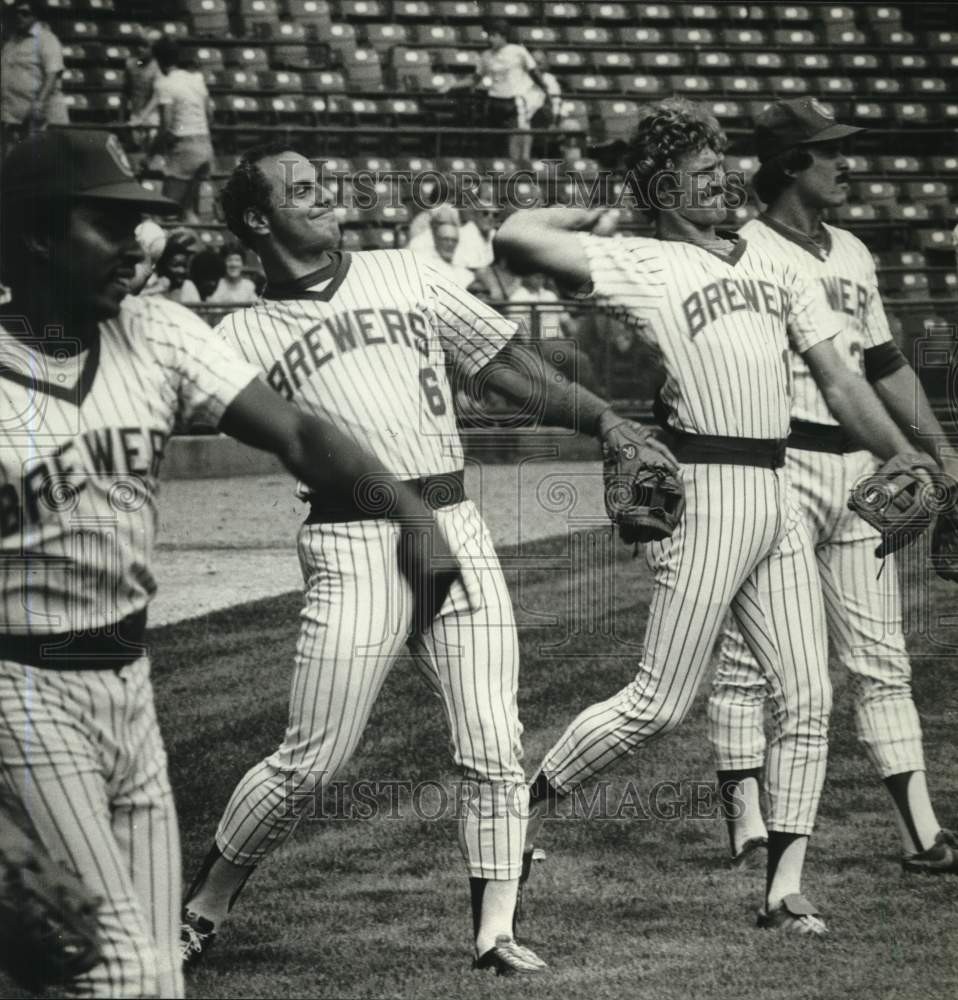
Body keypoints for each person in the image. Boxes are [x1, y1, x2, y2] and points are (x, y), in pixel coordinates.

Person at [176, 139, 669, 975]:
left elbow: (508, 364)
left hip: (455, 519)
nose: (325, 197)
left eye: (322, 184)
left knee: (493, 739)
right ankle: (204, 905)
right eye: (301, 192)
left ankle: (495, 932)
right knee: (313, 760)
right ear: (258, 220)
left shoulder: (404, 271)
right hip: (352, 540)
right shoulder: (243, 333)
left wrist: (607, 423)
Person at [0, 128, 459, 999]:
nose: (138, 243)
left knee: (146, 976)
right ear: (33, 236)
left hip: (129, 688)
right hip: (19, 687)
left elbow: (298, 433)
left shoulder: (157, 333)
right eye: (106, 224)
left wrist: (409, 515)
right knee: (123, 973)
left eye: (138, 222)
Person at [494, 98, 937, 936]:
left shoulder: (779, 268)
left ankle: (784, 888)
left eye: (720, 164)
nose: (720, 179)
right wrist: (599, 197)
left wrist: (901, 453)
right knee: (658, 702)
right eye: (697, 171)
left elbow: (843, 382)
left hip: (775, 489)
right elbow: (516, 233)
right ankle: (518, 804)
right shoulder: (645, 262)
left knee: (808, 695)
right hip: (706, 491)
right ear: (664, 187)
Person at [706, 98, 958, 874]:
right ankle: (747, 825)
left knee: (882, 656)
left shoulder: (849, 249)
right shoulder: (735, 248)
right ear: (789, 165)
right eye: (829, 152)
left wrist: (940, 452)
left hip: (855, 466)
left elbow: (883, 364)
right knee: (750, 661)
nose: (846, 163)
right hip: (771, 464)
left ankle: (923, 834)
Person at [135, 38, 214, 224]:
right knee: (188, 212)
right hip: (205, 147)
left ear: (159, 61)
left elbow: (167, 126)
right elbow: (210, 115)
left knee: (165, 211)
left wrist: (151, 155)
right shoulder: (196, 79)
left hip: (184, 150)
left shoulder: (164, 84)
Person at [446, 18, 547, 161]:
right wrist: (451, 85)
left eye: (494, 35)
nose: (490, 39)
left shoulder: (518, 51)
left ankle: (521, 168)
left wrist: (544, 88)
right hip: (495, 102)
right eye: (489, 35)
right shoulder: (486, 56)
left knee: (518, 136)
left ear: (503, 36)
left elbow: (533, 71)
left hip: (515, 101)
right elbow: (475, 79)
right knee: (497, 140)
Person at [0, 0, 68, 152]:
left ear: (35, 16)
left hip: (41, 117)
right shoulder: (12, 41)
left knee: (45, 162)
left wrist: (39, 103)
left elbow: (53, 73)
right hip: (15, 117)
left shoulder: (46, 39)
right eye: (17, 13)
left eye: (25, 13)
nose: (19, 17)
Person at [123, 32, 160, 152]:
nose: (140, 49)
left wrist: (142, 117)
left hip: (153, 116)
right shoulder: (130, 64)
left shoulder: (159, 67)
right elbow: (125, 91)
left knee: (152, 148)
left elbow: (157, 96)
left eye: (145, 46)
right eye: (139, 45)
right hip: (135, 114)